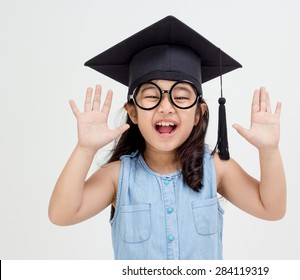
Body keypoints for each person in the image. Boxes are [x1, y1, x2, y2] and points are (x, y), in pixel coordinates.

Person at [48, 16, 286, 260]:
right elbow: (62, 214)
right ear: (133, 112)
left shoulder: (215, 168)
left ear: (198, 113)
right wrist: (85, 149)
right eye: (151, 96)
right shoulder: (118, 177)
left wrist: (269, 151)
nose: (166, 107)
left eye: (181, 97)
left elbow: (272, 209)